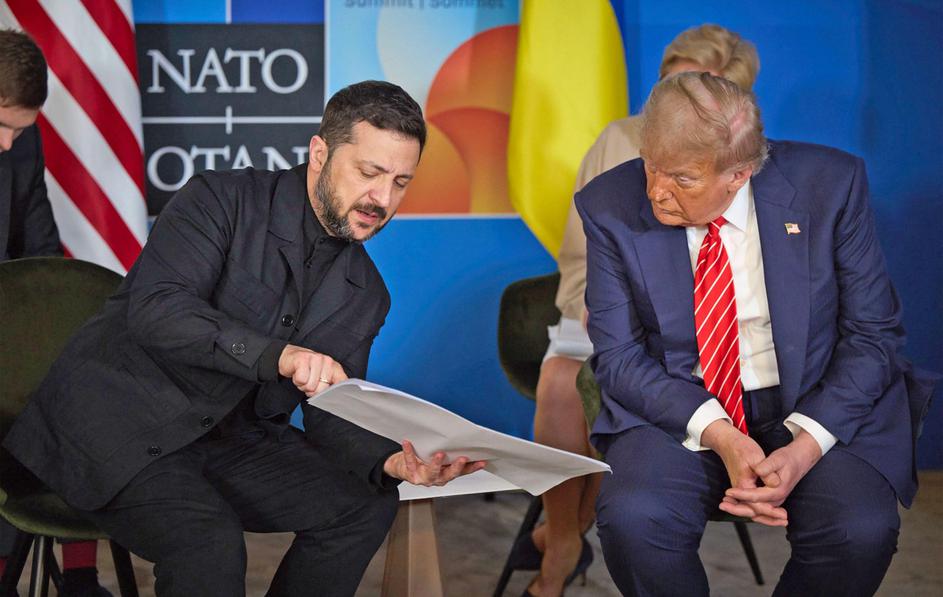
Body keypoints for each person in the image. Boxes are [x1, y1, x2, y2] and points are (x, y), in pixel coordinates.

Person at [4, 80, 484, 597]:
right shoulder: (219, 199)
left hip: (229, 441)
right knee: (207, 542)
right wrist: (279, 356)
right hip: (120, 420)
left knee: (366, 503)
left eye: (400, 182)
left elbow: (333, 411)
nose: (382, 199)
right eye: (369, 173)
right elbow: (157, 309)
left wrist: (389, 461)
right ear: (319, 154)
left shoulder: (366, 294)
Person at [577, 71, 935, 596]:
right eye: (650, 164)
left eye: (682, 178)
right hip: (682, 404)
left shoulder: (830, 187)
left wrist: (806, 445)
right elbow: (620, 357)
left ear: (739, 173)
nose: (655, 190)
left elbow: (873, 335)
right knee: (635, 520)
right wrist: (721, 435)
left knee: (860, 530)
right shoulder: (608, 204)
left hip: (815, 397)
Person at [521, 25, 760, 597]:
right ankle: (564, 537)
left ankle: (580, 522)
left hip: (700, 334)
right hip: (600, 310)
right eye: (673, 86)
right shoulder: (618, 140)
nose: (682, 105)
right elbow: (579, 254)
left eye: (701, 90)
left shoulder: (746, 158)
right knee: (562, 381)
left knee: (632, 390)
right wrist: (595, 307)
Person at [0, 28, 112, 597]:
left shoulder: (23, 140)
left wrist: (46, 328)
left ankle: (80, 577)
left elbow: (39, 242)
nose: (8, 143)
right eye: (1, 125)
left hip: (6, 322)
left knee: (78, 386)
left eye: (20, 131)